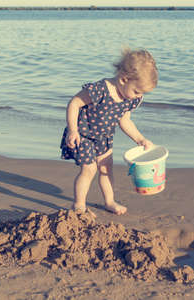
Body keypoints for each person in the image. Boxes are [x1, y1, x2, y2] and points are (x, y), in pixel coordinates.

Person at [60, 48, 158, 216]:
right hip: (83, 135)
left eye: (141, 93)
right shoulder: (100, 90)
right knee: (89, 169)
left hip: (103, 138)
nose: (138, 96)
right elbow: (74, 103)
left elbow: (125, 120)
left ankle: (110, 201)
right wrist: (73, 130)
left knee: (106, 168)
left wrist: (140, 139)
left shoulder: (129, 99)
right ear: (123, 79)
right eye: (137, 91)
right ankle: (79, 205)